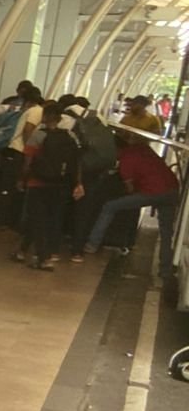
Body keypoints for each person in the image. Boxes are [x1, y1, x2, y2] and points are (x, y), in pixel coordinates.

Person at [83, 130, 181, 280]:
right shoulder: (143, 148)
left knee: (109, 207)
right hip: (172, 190)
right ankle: (165, 269)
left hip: (152, 192)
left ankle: (92, 244)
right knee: (166, 233)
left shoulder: (125, 159)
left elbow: (129, 189)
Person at [12, 101, 83, 271]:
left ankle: (43, 258)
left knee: (37, 219)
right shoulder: (71, 136)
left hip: (37, 182)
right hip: (60, 184)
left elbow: (28, 161)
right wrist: (78, 183)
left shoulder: (38, 135)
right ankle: (22, 251)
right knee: (47, 219)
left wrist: (21, 179)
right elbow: (77, 162)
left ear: (46, 116)